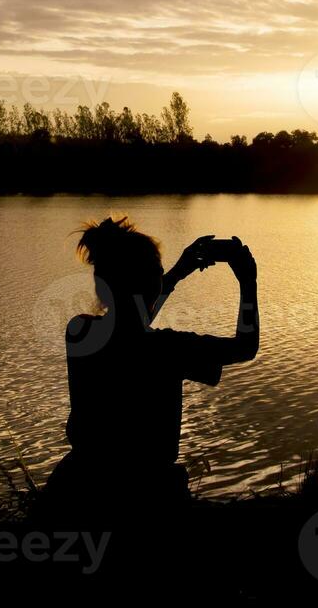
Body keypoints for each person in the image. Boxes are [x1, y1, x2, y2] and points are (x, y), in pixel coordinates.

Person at [42, 215, 259, 522]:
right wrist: (248, 281)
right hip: (148, 497)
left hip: (74, 489)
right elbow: (245, 347)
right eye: (157, 270)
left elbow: (130, 325)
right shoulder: (168, 349)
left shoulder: (79, 332)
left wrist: (176, 273)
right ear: (149, 283)